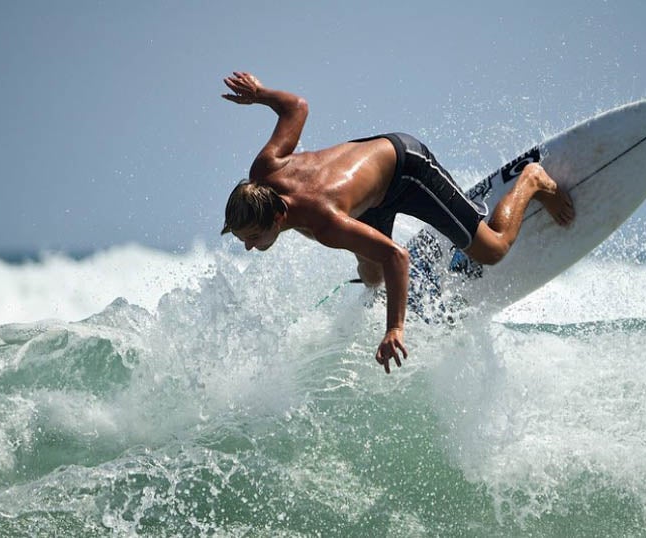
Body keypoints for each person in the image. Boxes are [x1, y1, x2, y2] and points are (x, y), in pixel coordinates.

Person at [220, 72, 574, 374]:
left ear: (279, 216)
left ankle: (531, 180)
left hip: (408, 170)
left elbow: (397, 256)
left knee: (492, 249)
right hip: (368, 194)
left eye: (252, 237)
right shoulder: (262, 172)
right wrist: (260, 95)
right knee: (372, 277)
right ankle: (433, 247)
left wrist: (395, 328)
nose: (250, 246)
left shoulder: (325, 222)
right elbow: (297, 106)